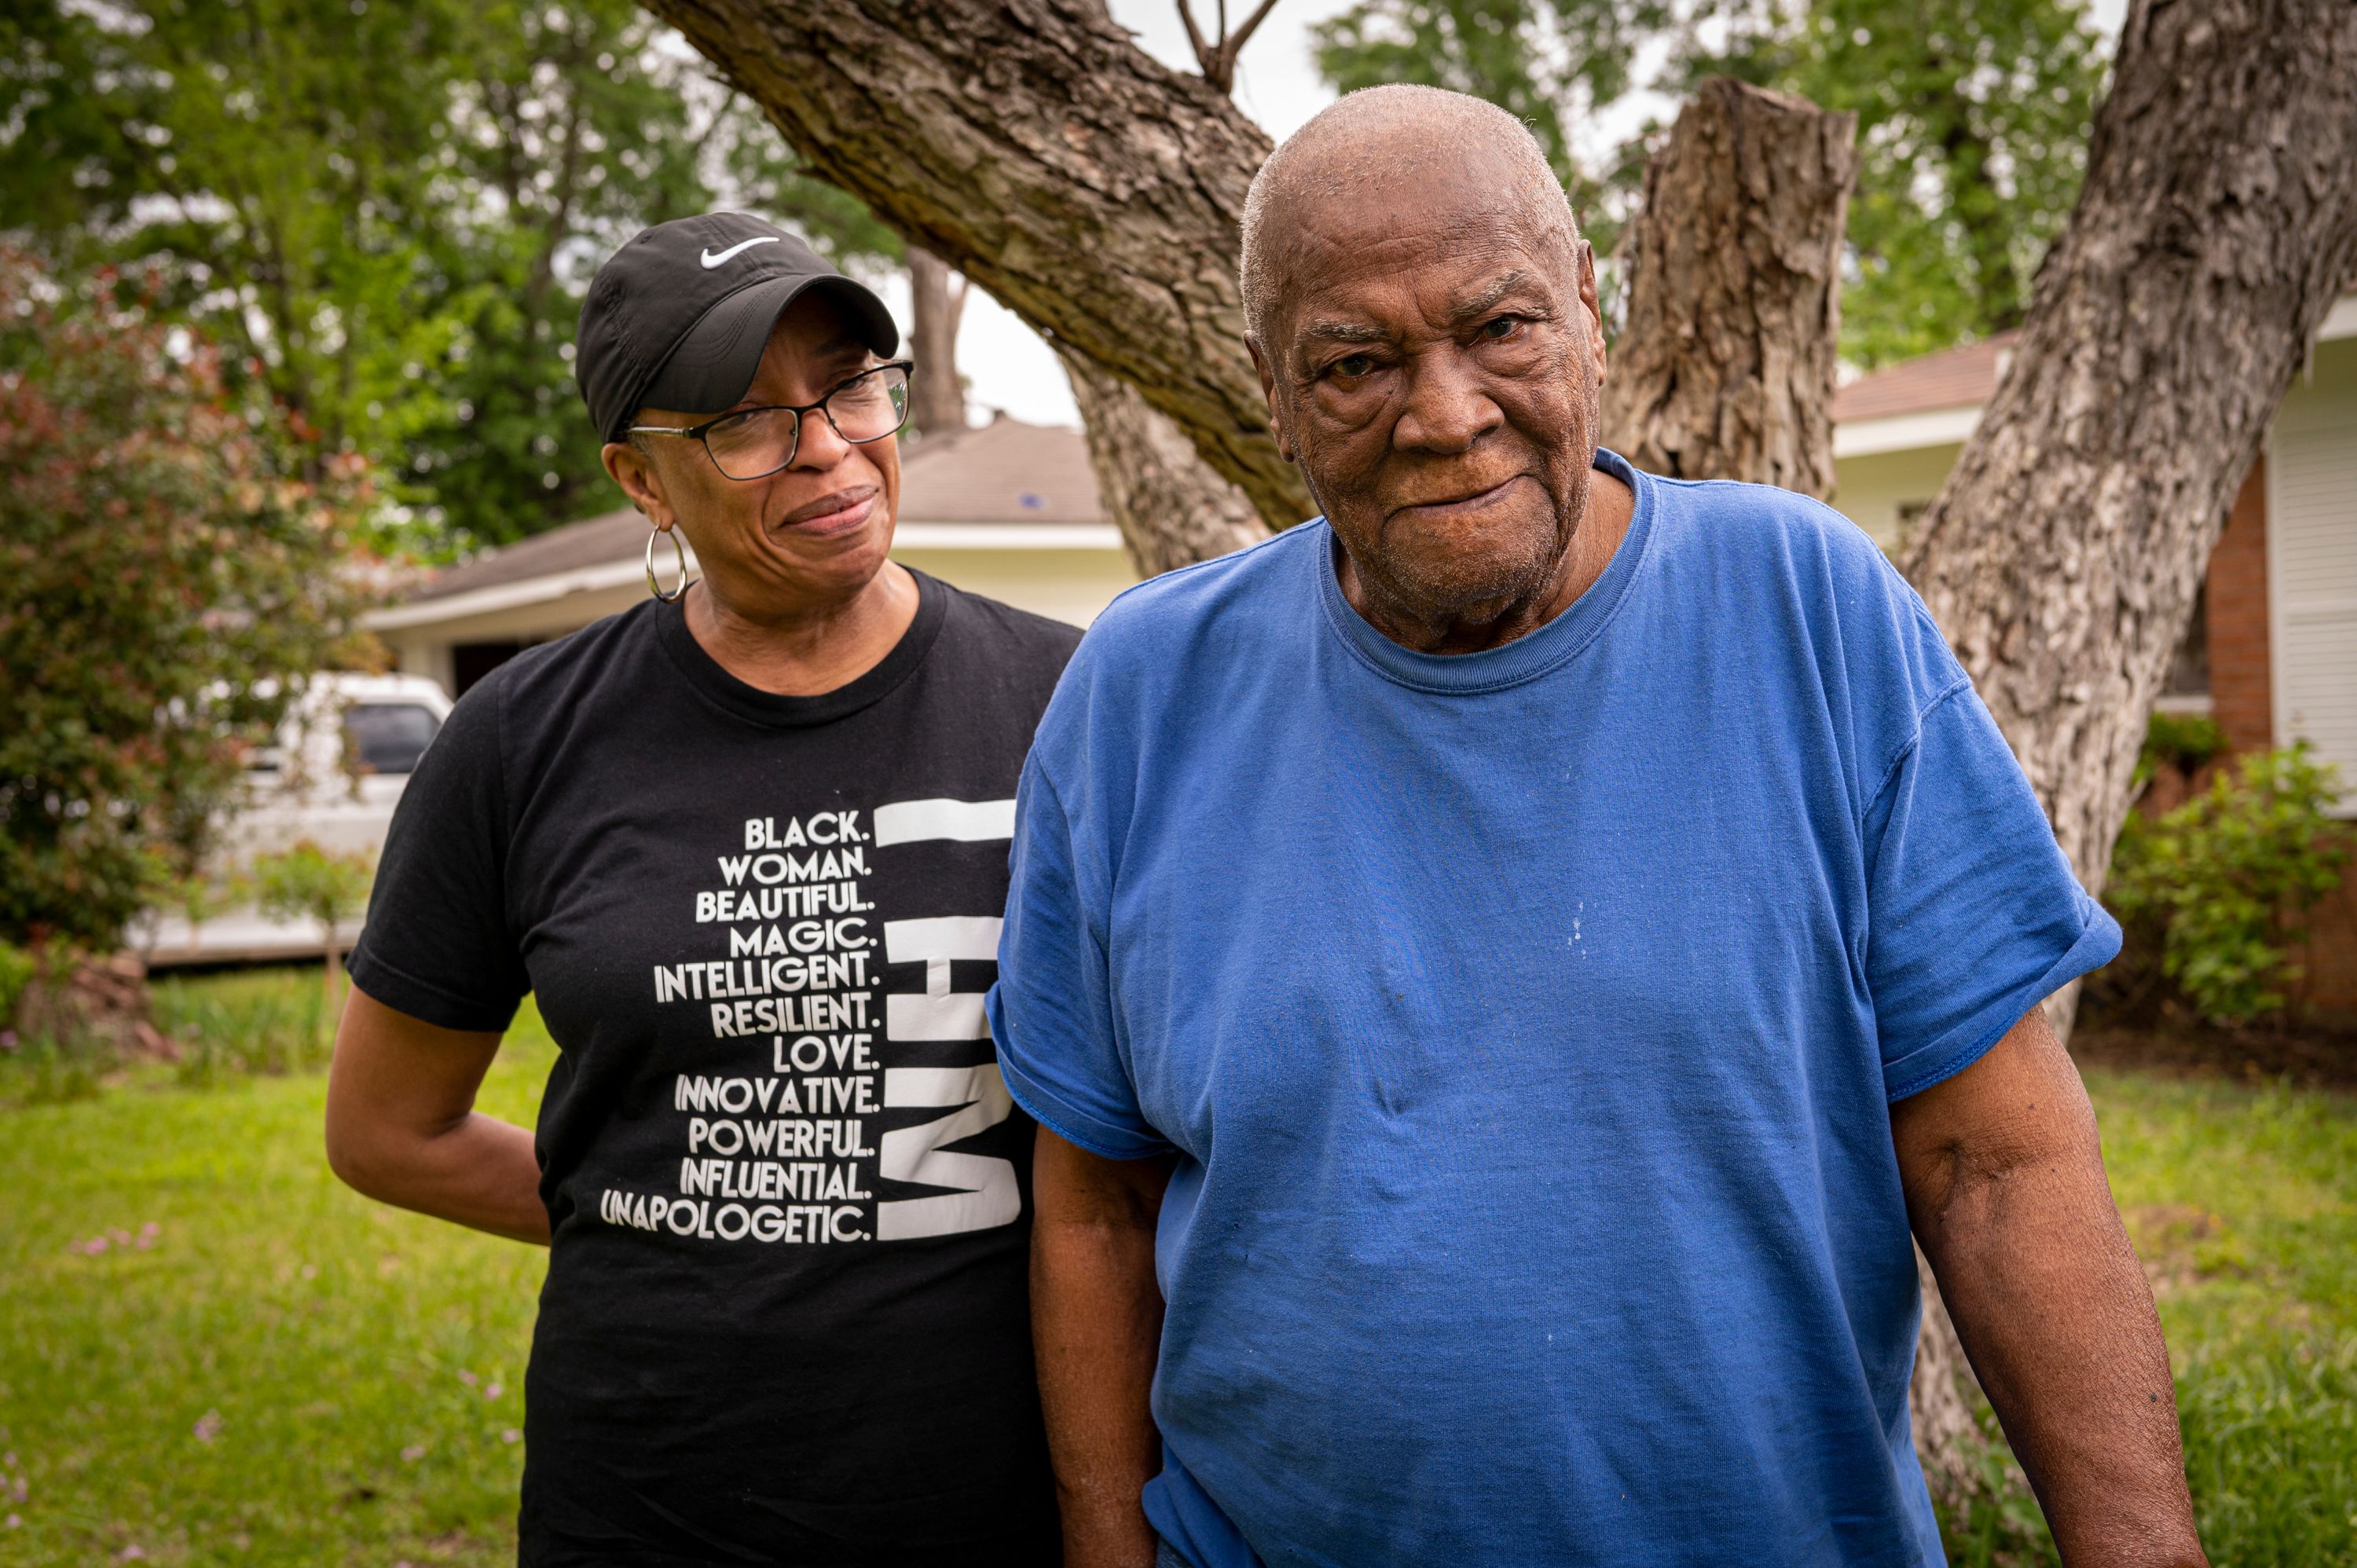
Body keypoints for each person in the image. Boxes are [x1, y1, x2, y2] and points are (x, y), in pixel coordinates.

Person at [992, 86, 2208, 1568]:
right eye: (1356, 362)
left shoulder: (1808, 612)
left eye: (1500, 328)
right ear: (1269, 382)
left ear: (1589, 309)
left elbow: (1997, 1168)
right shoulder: (1141, 691)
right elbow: (1094, 1209)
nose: (1443, 416)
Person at [324, 212, 1076, 1564]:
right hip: (650, 1499)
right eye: (745, 421)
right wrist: (660, 1218)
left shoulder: (1072, 702)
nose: (833, 448)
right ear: (643, 480)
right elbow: (388, 1130)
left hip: (988, 1491)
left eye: (849, 385)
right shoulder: (520, 740)